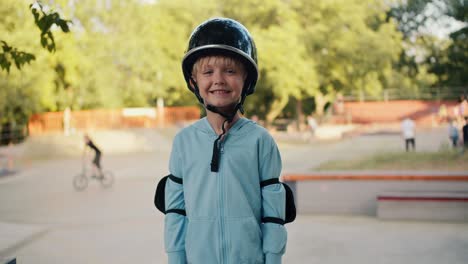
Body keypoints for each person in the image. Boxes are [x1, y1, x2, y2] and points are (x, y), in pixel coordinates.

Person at [161, 18, 288, 264]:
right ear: (193, 81)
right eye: (208, 72)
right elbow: (175, 211)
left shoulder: (260, 141)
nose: (218, 79)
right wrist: (176, 259)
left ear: (247, 80)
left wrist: (273, 259)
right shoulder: (184, 142)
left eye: (230, 71)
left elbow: (274, 212)